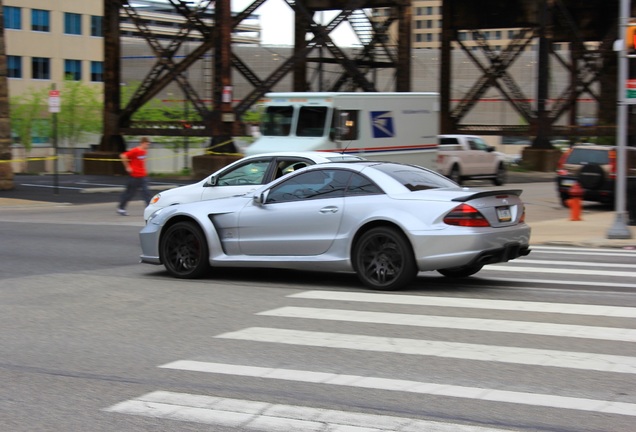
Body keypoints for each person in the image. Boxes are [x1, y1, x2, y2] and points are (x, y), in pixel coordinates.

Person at [117, 137, 151, 216]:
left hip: (142, 176)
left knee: (146, 193)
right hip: (134, 176)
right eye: (147, 144)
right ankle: (121, 208)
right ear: (143, 143)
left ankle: (150, 209)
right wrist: (127, 167)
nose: (148, 146)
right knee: (129, 193)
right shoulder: (135, 150)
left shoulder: (144, 151)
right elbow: (123, 156)